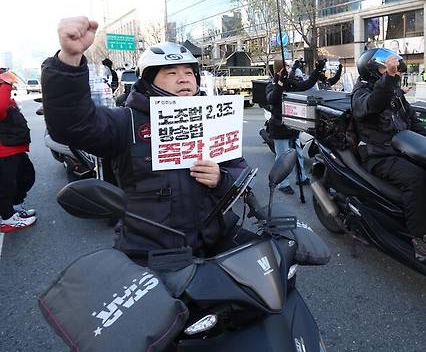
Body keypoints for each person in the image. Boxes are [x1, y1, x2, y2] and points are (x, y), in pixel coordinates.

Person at [42, 17, 248, 260]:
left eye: (189, 73)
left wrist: (220, 179)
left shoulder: (214, 118)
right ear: (148, 82)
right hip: (150, 255)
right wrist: (68, 60)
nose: (184, 79)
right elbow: (72, 126)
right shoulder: (126, 121)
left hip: (215, 246)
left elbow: (240, 172)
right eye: (171, 72)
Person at [351, 48, 426, 262]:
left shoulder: (395, 91)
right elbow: (373, 105)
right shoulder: (361, 93)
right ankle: (422, 242)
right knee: (416, 178)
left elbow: (411, 119)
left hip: (400, 148)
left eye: (393, 69)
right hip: (378, 154)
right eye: (384, 68)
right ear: (372, 70)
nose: (392, 72)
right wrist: (389, 79)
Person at [266, 58, 321, 194]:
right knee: (282, 156)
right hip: (279, 126)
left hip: (293, 124)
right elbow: (273, 98)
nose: (289, 69)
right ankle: (282, 183)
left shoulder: (290, 83)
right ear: (280, 69)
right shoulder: (271, 85)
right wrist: (279, 82)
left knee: (298, 154)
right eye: (286, 67)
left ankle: (301, 177)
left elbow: (306, 84)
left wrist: (317, 71)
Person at [0, 69, 37, 233]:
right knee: (6, 184)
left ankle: (14, 208)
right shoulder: (3, 84)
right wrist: (6, 83)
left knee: (26, 175)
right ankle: (7, 218)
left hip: (12, 145)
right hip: (4, 148)